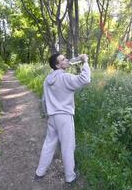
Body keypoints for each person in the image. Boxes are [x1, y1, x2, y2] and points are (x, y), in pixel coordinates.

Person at [35, 53, 91, 183]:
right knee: (67, 147)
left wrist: (46, 114)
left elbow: (44, 100)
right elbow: (85, 79)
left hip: (52, 117)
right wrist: (85, 62)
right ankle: (70, 177)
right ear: (57, 65)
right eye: (63, 59)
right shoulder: (65, 77)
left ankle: (39, 172)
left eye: (65, 58)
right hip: (64, 117)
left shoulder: (47, 79)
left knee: (48, 144)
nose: (66, 60)